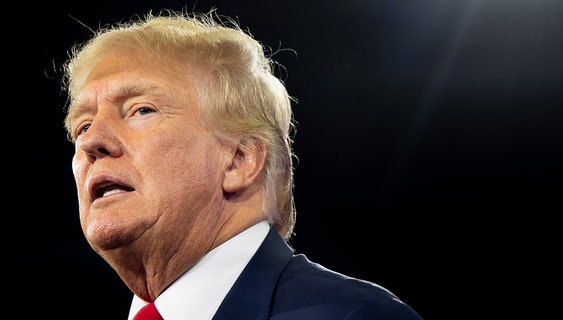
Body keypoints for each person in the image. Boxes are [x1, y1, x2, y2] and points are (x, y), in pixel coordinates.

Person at [60, 8, 422, 320]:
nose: (91, 142)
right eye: (83, 125)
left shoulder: (352, 316)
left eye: (141, 110)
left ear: (239, 160)